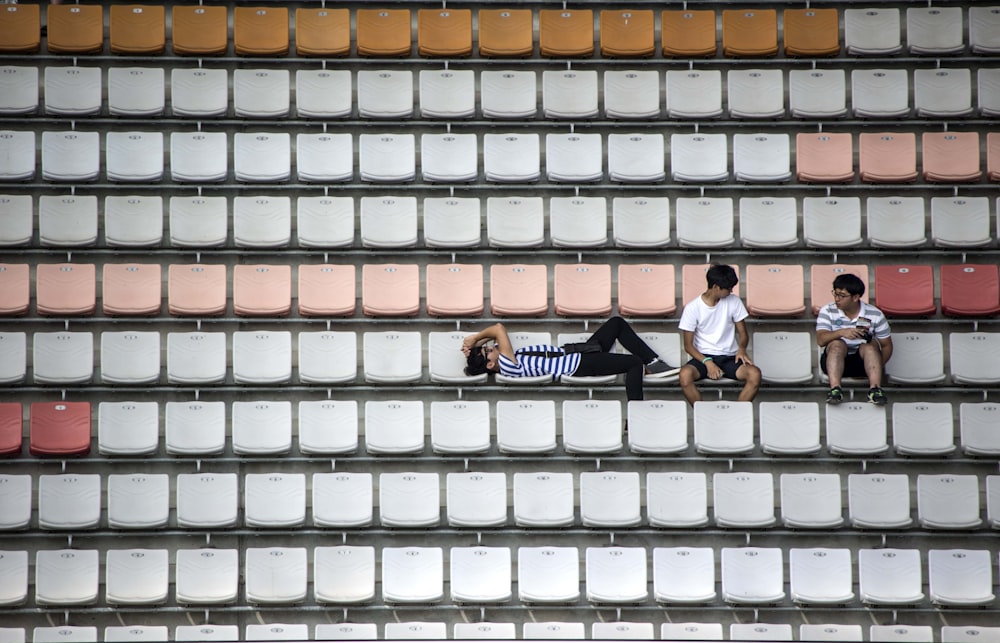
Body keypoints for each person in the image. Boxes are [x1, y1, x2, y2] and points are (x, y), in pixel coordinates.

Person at [462, 316, 679, 401]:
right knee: (633, 363)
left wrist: (476, 346)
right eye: (488, 350)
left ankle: (653, 363)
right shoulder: (507, 365)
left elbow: (494, 337)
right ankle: (635, 415)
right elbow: (498, 328)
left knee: (616, 324)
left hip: (580, 351)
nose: (491, 346)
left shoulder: (503, 358)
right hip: (579, 364)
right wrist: (475, 338)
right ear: (491, 364)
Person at [677, 264, 761, 405]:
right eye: (728, 288)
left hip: (729, 358)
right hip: (703, 358)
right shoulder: (693, 308)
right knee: (685, 375)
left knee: (755, 374)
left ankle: (737, 415)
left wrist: (741, 349)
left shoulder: (734, 301)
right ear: (716, 287)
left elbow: (743, 333)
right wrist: (707, 362)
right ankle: (702, 415)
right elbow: (688, 346)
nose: (731, 291)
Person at [816, 273, 892, 405]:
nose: (837, 299)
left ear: (856, 297)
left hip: (863, 363)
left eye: (842, 296)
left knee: (870, 345)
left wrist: (876, 366)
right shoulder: (828, 310)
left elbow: (886, 346)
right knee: (836, 344)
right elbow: (821, 340)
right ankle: (835, 389)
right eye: (835, 294)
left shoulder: (874, 314)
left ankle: (875, 390)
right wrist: (841, 332)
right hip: (833, 361)